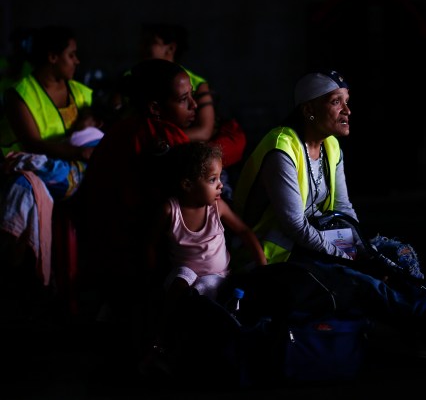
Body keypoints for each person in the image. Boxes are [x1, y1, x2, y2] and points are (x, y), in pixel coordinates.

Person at [231, 69, 426, 357]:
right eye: (336, 102)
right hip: (277, 255)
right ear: (309, 108)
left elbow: (343, 208)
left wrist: (363, 251)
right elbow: (295, 226)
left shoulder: (331, 145)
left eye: (347, 101)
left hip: (316, 245)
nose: (347, 110)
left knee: (397, 256)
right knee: (365, 281)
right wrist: (350, 258)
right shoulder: (281, 148)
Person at [77, 58, 227, 337]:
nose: (194, 105)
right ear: (156, 107)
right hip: (134, 254)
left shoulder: (116, 132)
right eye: (184, 100)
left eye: (193, 96)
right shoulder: (164, 136)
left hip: (98, 251)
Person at [140, 141, 266, 375]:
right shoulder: (171, 210)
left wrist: (262, 263)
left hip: (217, 277)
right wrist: (152, 276)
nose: (220, 185)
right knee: (182, 279)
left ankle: (189, 346)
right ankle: (160, 341)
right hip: (183, 275)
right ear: (187, 185)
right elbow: (149, 243)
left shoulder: (217, 207)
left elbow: (244, 232)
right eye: (212, 180)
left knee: (206, 290)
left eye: (219, 178)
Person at [0, 25, 92, 294]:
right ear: (52, 57)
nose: (77, 61)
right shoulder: (20, 94)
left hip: (67, 169)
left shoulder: (82, 93)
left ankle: (27, 276)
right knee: (25, 188)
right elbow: (32, 143)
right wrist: (79, 152)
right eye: (71, 55)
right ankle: (25, 278)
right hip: (37, 167)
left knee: (27, 188)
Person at [112, 23, 246, 201]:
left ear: (171, 48)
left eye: (149, 42)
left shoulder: (195, 82)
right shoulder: (133, 79)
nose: (141, 48)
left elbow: (204, 131)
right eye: (141, 42)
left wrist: (164, 141)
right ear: (154, 107)